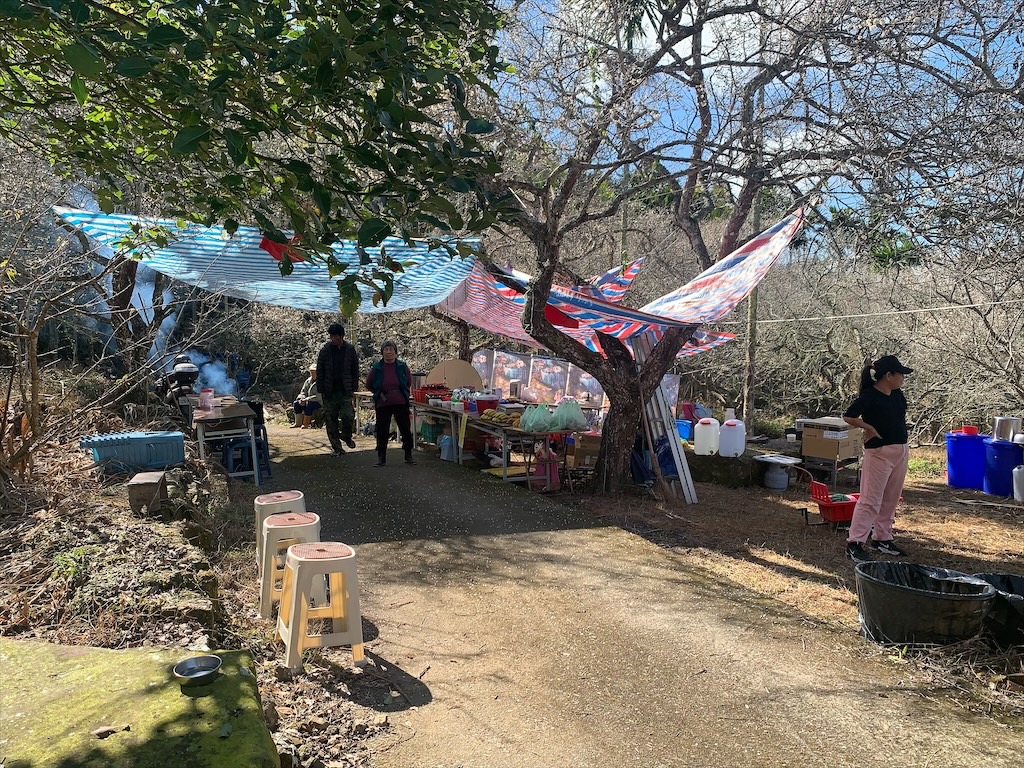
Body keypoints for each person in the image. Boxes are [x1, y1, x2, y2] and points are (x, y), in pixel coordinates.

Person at [842, 355, 913, 563]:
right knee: (870, 499)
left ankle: (882, 538)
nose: (902, 378)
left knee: (891, 498)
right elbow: (849, 416)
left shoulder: (897, 394)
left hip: (900, 450)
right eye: (900, 374)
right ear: (888, 375)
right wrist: (869, 428)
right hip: (879, 453)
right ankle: (854, 543)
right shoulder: (870, 395)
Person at [365, 340, 415, 466]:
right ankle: (381, 457)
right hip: (383, 402)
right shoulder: (377, 367)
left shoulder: (402, 366)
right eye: (386, 350)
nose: (388, 352)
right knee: (382, 430)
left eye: (391, 350)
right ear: (382, 352)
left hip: (400, 401)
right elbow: (369, 384)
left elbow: (408, 382)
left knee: (405, 429)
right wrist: (378, 393)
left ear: (395, 352)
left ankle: (408, 455)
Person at [316, 323, 360, 456]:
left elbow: (355, 370)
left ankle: (346, 435)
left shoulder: (350, 350)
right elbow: (320, 371)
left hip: (345, 390)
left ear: (341, 336)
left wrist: (353, 388)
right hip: (329, 391)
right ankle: (337, 448)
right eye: (331, 336)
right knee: (330, 420)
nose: (333, 338)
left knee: (348, 416)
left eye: (335, 336)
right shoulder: (325, 351)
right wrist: (321, 389)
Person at [290, 364, 321, 429]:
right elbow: (303, 392)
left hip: (319, 402)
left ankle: (306, 424)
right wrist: (301, 398)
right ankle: (298, 423)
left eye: (314, 372)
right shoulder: (308, 381)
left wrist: (306, 399)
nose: (312, 373)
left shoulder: (322, 381)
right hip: (308, 400)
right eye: (311, 372)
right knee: (296, 403)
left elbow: (319, 396)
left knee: (310, 405)